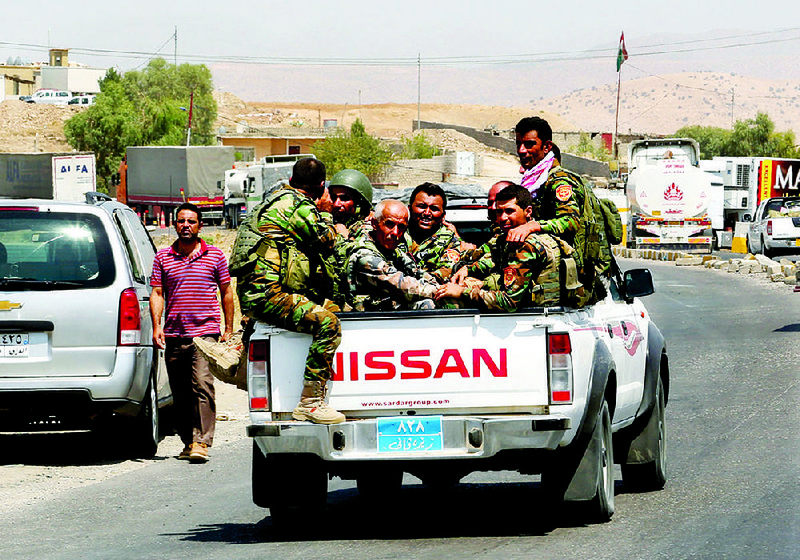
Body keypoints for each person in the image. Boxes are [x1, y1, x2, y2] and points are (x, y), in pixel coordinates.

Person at [234, 157, 345, 425]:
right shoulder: (298, 207)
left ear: (293, 179)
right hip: (267, 296)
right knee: (328, 324)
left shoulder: (273, 199)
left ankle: (237, 353)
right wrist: (328, 213)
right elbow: (328, 241)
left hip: (255, 294)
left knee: (335, 309)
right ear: (321, 186)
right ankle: (311, 403)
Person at [150, 202, 235, 463]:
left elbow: (227, 292)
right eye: (181, 221)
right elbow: (157, 293)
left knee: (202, 385)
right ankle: (188, 440)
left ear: (200, 226)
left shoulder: (215, 256)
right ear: (175, 225)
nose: (186, 225)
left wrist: (228, 328)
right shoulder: (163, 257)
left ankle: (202, 441)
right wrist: (157, 326)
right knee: (180, 392)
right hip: (175, 334)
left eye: (191, 221)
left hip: (205, 334)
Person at [436, 185, 579, 312]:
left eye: (509, 211)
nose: (503, 217)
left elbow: (509, 302)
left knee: (449, 298)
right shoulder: (511, 237)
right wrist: (468, 269)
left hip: (535, 318)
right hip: (541, 314)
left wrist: (462, 292)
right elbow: (492, 258)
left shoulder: (525, 244)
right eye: (499, 212)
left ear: (528, 211)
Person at [344, 199, 439, 311]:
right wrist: (441, 291)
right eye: (389, 224)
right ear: (374, 224)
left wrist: (443, 287)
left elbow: (418, 272)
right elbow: (401, 285)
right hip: (363, 319)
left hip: (385, 314)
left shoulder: (392, 250)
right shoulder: (365, 256)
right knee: (427, 304)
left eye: (401, 227)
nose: (395, 232)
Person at [404, 182, 463, 281]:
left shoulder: (450, 241)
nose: (427, 213)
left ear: (443, 215)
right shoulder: (396, 232)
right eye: (422, 206)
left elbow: (446, 273)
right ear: (409, 208)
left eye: (434, 209)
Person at [328, 168, 374, 236]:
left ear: (359, 202)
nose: (336, 204)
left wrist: (344, 237)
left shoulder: (369, 229)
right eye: (333, 197)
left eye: (344, 198)